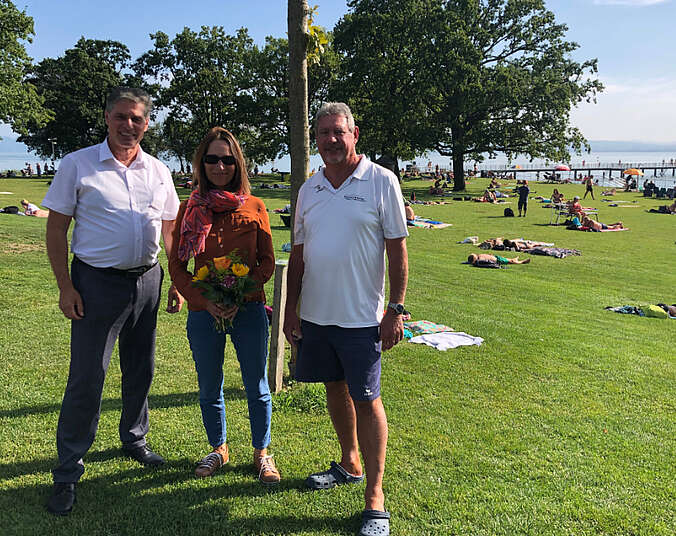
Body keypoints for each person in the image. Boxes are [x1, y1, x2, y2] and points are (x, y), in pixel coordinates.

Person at [41, 87, 183, 516]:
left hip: (148, 281)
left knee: (141, 368)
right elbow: (55, 230)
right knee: (88, 377)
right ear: (106, 117)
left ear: (146, 123)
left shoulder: (158, 170)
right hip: (96, 285)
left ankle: (134, 439)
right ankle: (68, 471)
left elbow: (171, 231)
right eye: (120, 116)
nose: (128, 126)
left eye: (137, 119)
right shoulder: (78, 165)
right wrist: (66, 287)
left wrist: (176, 283)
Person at [283, 102, 408, 536]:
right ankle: (349, 462)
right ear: (314, 139)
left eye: (339, 132)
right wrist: (290, 310)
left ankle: (375, 495)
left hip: (362, 319)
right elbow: (297, 254)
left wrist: (396, 308)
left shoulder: (380, 181)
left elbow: (397, 249)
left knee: (367, 398)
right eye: (323, 134)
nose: (331, 140)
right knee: (334, 389)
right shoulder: (309, 189)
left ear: (355, 133)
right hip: (317, 316)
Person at [168, 127, 279, 485]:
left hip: (247, 310)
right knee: (209, 385)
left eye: (227, 159)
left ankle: (262, 452)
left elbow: (265, 263)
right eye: (212, 159)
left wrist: (238, 295)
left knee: (256, 385)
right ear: (201, 163)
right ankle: (218, 448)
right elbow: (177, 265)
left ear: (237, 164)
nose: (220, 166)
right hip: (204, 313)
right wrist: (204, 300)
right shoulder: (189, 209)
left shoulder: (254, 206)